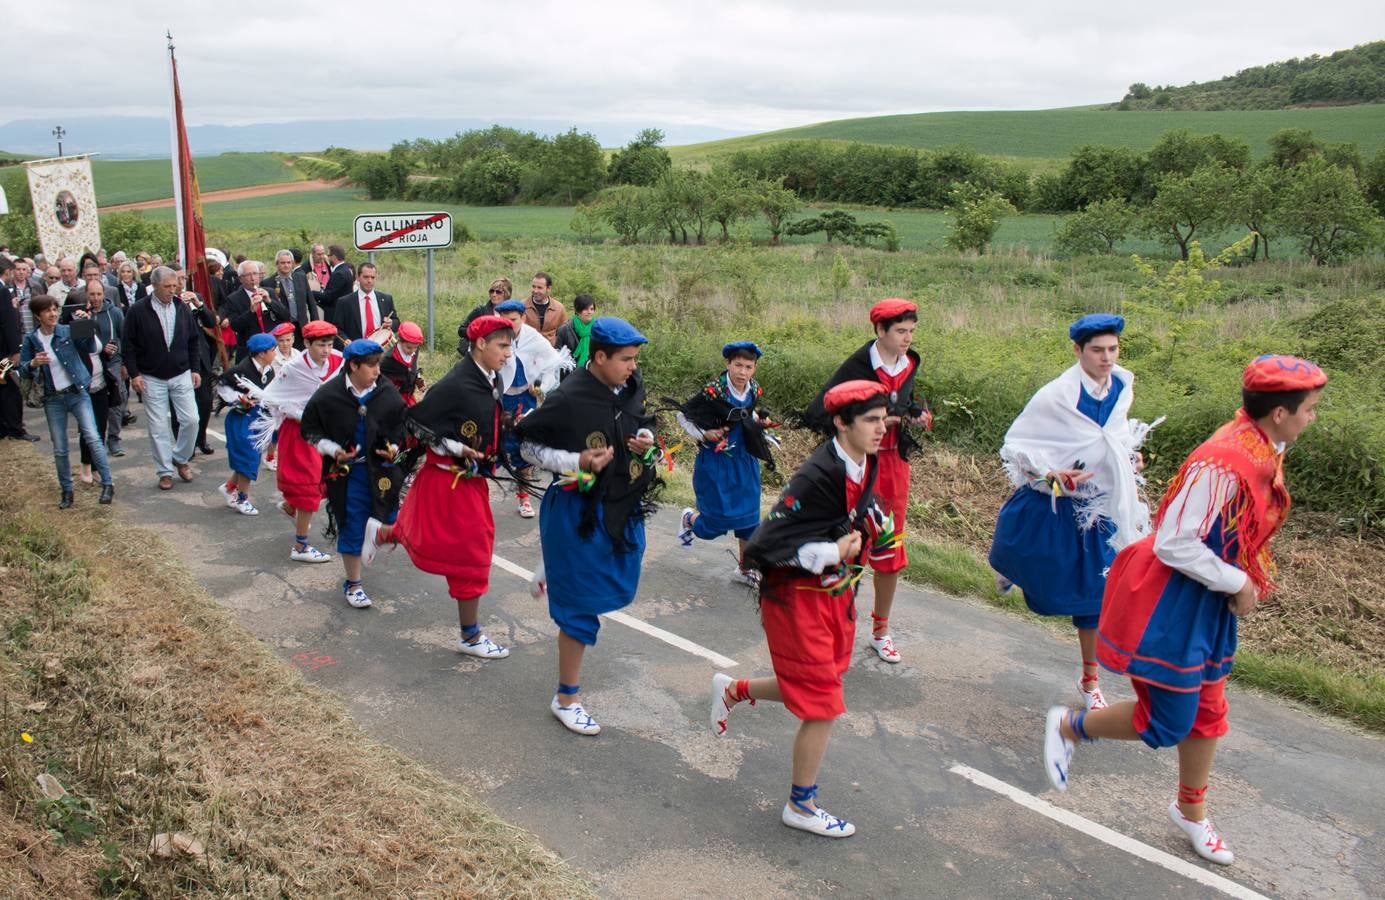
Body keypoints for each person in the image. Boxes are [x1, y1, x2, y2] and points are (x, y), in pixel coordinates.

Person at [1043, 355, 1327, 867]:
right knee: (1168, 721)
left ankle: (1190, 812)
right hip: (1171, 602)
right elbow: (1175, 542)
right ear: (1280, 413)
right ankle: (1070, 727)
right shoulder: (1223, 461)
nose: (1313, 418)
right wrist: (1239, 581)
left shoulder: (1262, 443)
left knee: (1209, 712)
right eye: (1309, 409)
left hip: (1205, 599)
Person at [713, 380, 891, 839]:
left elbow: (856, 507)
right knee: (824, 704)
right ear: (841, 422)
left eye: (882, 419)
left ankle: (735, 690)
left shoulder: (863, 461)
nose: (880, 429)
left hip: (833, 592)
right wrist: (834, 550)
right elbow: (763, 547)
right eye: (871, 421)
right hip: (794, 596)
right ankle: (801, 804)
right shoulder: (815, 475)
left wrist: (871, 526)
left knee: (824, 680)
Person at [988, 314, 1159, 711]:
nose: (1107, 358)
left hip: (1098, 505)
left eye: (1112, 349)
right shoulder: (1057, 395)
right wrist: (1050, 473)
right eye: (1097, 350)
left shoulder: (1121, 386)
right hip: (1056, 499)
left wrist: (1127, 458)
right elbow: (1019, 444)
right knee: (1026, 548)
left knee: (1094, 599)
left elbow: (1110, 437)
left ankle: (1089, 680)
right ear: (1078, 350)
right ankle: (1009, 566)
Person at [515, 317, 658, 736]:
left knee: (620, 580)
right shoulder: (568, 398)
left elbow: (642, 417)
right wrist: (574, 461)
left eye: (635, 359)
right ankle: (567, 698)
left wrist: (646, 437)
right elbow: (525, 444)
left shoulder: (630, 385)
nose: (633, 366)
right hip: (577, 513)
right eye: (625, 359)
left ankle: (554, 568)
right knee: (581, 609)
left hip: (621, 507)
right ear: (599, 357)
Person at [364, 315, 516, 657]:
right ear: (480, 344)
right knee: (473, 553)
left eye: (510, 345)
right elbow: (415, 422)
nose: (508, 353)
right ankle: (471, 637)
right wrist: (455, 448)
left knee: (441, 542)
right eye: (502, 345)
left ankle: (384, 532)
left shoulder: (490, 378)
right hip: (448, 478)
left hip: (470, 479)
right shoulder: (457, 383)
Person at [804, 298, 931, 664]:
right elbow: (821, 414)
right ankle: (832, 626)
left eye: (911, 331)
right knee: (851, 548)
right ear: (880, 330)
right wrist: (872, 423)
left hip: (894, 471)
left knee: (890, 553)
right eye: (900, 332)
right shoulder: (858, 368)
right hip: (858, 468)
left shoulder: (909, 365)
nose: (907, 339)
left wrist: (918, 417)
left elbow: (906, 404)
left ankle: (881, 630)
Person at [300, 339, 407, 609]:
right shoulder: (328, 395)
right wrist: (334, 450)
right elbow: (310, 430)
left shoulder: (386, 393)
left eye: (379, 365)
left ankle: (374, 537)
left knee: (393, 522)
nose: (377, 372)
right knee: (352, 523)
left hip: (382, 473)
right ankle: (354, 583)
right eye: (371, 366)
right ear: (353, 365)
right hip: (349, 475)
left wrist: (393, 448)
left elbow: (400, 428)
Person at [676, 341, 778, 584]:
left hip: (745, 461)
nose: (743, 372)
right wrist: (704, 434)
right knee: (714, 524)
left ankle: (745, 568)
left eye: (749, 367)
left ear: (754, 368)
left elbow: (747, 414)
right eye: (738, 365)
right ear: (728, 364)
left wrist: (758, 423)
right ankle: (690, 518)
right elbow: (682, 415)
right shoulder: (713, 392)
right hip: (717, 463)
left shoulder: (753, 390)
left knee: (750, 519)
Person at [252, 320, 343, 564]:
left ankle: (292, 508)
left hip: (324, 431)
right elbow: (271, 396)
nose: (326, 350)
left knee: (325, 481)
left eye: (329, 344)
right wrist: (295, 412)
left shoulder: (337, 360)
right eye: (320, 345)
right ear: (307, 344)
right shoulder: (293, 368)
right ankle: (301, 546)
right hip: (300, 433)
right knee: (308, 486)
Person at [20, 295, 115, 507]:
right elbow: (22, 369)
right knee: (60, 447)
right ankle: (67, 490)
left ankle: (108, 484)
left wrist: (85, 324)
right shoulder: (31, 339)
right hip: (52, 398)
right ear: (37, 316)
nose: (53, 314)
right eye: (47, 311)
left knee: (92, 436)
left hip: (77, 392)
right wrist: (34, 363)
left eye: (55, 309)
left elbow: (91, 347)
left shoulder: (66, 330)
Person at [122, 266, 203, 491]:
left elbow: (193, 341)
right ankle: (165, 471)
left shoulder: (182, 307)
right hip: (151, 376)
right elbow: (128, 345)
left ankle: (180, 457)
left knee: (191, 420)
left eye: (174, 286)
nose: (172, 290)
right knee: (158, 426)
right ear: (155, 286)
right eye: (167, 287)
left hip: (181, 373)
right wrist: (134, 373)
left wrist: (195, 369)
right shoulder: (138, 311)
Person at [494, 299, 571, 518]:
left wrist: (540, 387)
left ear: (523, 318)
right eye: (503, 320)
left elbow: (553, 364)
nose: (508, 325)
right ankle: (479, 496)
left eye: (513, 320)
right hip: (499, 399)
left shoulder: (533, 339)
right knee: (493, 445)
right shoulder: (494, 335)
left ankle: (524, 498)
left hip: (524, 401)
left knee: (524, 448)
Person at [60, 284, 124, 479]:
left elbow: (95, 350)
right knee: (88, 428)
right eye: (84, 306)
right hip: (82, 385)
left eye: (88, 307)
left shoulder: (92, 323)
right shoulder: (67, 329)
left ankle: (96, 466)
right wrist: (80, 324)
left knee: (101, 426)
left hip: (101, 381)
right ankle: (86, 465)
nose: (88, 309)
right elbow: (80, 350)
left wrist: (106, 351)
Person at [216, 333, 279, 516]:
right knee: (249, 458)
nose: (275, 353)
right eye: (272, 350)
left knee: (249, 458)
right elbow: (222, 385)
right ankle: (242, 499)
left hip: (258, 418)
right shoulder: (240, 370)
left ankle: (229, 488)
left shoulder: (269, 370)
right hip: (241, 420)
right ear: (261, 353)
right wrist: (238, 399)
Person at [0, 258, 38, 441]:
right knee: (11, 389)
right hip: (4, 353)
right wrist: (15, 350)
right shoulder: (2, 291)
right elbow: (8, 324)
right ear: (7, 272)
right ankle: (15, 428)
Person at [223, 260, 290, 362]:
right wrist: (251, 312)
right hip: (249, 350)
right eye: (248, 275)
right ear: (240, 279)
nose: (253, 278)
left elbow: (286, 316)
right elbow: (235, 326)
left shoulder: (269, 292)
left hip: (272, 346)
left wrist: (270, 301)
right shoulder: (233, 298)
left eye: (255, 274)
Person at [264, 249, 320, 346]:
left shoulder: (301, 278)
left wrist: (316, 324)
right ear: (276, 264)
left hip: (301, 326)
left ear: (293, 264)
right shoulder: (268, 283)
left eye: (289, 262)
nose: (286, 265)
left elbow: (311, 302)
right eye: (282, 263)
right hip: (282, 329)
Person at [333, 262, 398, 342]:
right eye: (366, 277)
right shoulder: (345, 302)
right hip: (356, 350)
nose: (369, 281)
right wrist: (345, 340)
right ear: (357, 277)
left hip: (380, 350)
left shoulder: (386, 299)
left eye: (372, 277)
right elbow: (337, 329)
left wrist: (391, 323)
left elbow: (397, 323)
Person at [458, 277, 512, 354]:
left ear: (506, 294)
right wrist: (478, 332)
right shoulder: (480, 311)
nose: (494, 294)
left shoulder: (512, 313)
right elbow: (461, 330)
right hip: (480, 353)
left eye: (498, 292)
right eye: (492, 291)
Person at [380, 321, 425, 406]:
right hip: (393, 400)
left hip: (409, 397)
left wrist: (418, 380)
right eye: (408, 347)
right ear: (399, 340)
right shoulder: (388, 359)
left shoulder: (415, 350)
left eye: (415, 347)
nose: (412, 351)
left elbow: (412, 369)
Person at [553, 293, 596, 379]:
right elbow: (557, 354)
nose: (589, 312)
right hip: (568, 376)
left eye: (592, 309)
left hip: (591, 374)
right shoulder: (564, 329)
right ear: (577, 310)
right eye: (585, 309)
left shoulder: (597, 328)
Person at [522, 272, 566, 347]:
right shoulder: (522, 306)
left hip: (551, 352)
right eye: (533, 287)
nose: (535, 291)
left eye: (539, 287)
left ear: (548, 288)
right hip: (527, 351)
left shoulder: (559, 308)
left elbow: (564, 333)